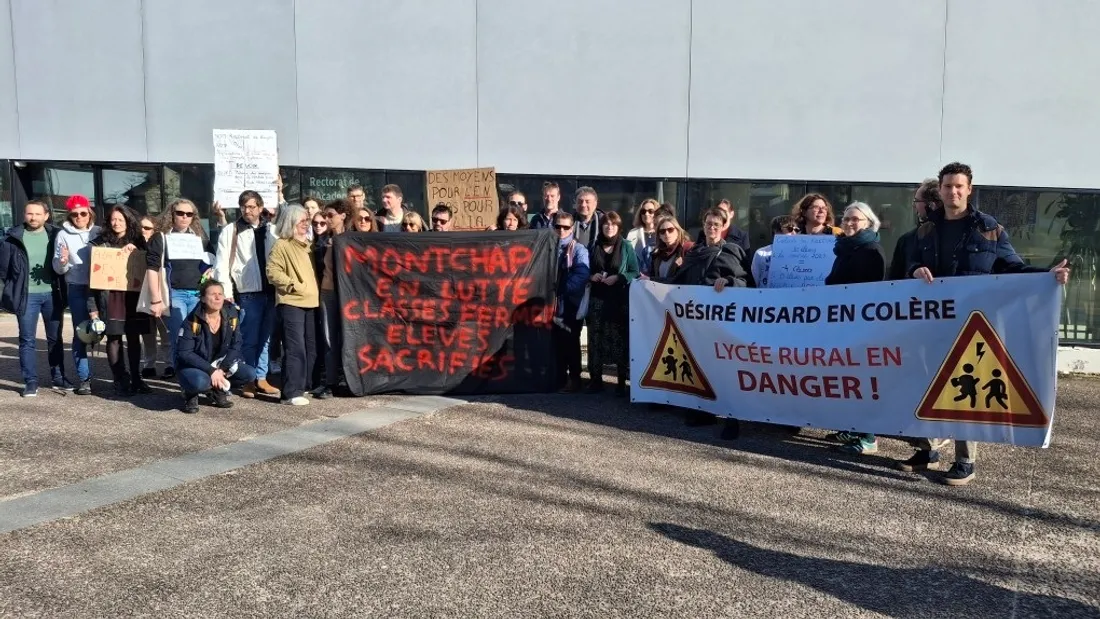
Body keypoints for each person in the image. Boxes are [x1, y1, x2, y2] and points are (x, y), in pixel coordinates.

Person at [900, 162, 1070, 486]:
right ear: (941, 190)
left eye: (959, 186)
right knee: (925, 383)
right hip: (931, 323)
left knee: (965, 388)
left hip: (971, 324)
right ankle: (927, 450)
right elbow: (910, 264)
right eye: (948, 186)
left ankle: (965, 460)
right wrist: (914, 271)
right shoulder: (925, 230)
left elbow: (1012, 267)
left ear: (969, 190)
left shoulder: (989, 229)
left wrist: (1046, 276)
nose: (953, 191)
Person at [670, 207, 749, 433]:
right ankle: (704, 412)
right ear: (703, 227)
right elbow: (677, 282)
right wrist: (649, 282)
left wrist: (729, 282)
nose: (711, 228)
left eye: (716, 225)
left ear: (723, 227)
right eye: (708, 224)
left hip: (721, 323)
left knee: (726, 370)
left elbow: (745, 283)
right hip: (697, 321)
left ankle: (732, 418)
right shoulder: (694, 252)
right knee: (701, 367)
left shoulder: (731, 251)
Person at [823, 202, 887, 454]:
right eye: (846, 218)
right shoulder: (844, 248)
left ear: (869, 224)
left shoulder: (870, 250)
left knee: (862, 381)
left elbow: (868, 292)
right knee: (847, 380)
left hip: (860, 327)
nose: (849, 223)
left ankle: (868, 437)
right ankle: (853, 427)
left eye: (855, 219)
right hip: (842, 324)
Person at [0, 199, 71, 396]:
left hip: (52, 294)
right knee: (27, 340)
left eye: (38, 214)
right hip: (26, 296)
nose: (33, 217)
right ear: (25, 215)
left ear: (46, 216)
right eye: (30, 213)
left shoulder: (57, 235)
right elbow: (3, 272)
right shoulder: (12, 238)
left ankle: (58, 377)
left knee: (55, 339)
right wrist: (6, 296)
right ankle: (30, 381)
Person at [213, 190, 280, 399]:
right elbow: (221, 263)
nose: (247, 210)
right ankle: (248, 379)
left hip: (271, 291)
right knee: (249, 339)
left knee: (266, 339)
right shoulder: (231, 230)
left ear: (260, 207)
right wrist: (227, 291)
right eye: (243, 206)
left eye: (251, 206)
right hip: (248, 293)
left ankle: (261, 377)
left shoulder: (271, 229)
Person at [145, 198, 215, 381]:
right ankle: (183, 379)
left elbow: (211, 260)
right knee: (180, 336)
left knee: (198, 336)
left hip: (198, 295)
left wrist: (209, 270)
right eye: (180, 213)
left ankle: (195, 375)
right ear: (172, 214)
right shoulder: (160, 238)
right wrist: (156, 300)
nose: (184, 217)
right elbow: (152, 269)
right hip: (174, 294)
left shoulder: (200, 239)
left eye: (189, 214)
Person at [88, 206, 152, 398]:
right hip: (111, 296)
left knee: (134, 337)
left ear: (128, 221)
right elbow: (92, 277)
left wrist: (137, 251)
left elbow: (150, 263)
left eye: (121, 220)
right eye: (113, 219)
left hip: (133, 296)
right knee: (114, 337)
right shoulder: (99, 243)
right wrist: (93, 308)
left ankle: (136, 379)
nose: (116, 223)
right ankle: (120, 379)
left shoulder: (139, 241)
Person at [175, 279, 256, 414]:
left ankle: (216, 390)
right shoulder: (191, 321)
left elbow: (237, 343)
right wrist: (211, 370)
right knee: (200, 382)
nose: (218, 298)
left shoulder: (231, 315)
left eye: (220, 294)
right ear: (203, 298)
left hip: (218, 364)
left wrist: (222, 368)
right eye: (213, 294)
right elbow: (185, 353)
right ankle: (190, 394)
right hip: (194, 365)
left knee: (249, 374)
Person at [266, 204, 319, 406]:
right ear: (291, 222)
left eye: (307, 220)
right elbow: (272, 271)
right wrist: (293, 285)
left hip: (312, 302)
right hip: (291, 302)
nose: (306, 224)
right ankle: (290, 393)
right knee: (295, 348)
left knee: (310, 347)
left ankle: (305, 385)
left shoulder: (310, 246)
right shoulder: (282, 245)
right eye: (302, 221)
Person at [586, 212, 640, 396]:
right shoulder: (594, 245)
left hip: (618, 300)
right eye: (606, 224)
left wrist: (618, 277)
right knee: (595, 339)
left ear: (619, 227)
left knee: (619, 340)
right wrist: (592, 276)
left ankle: (621, 381)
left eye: (613, 224)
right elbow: (586, 269)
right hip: (597, 299)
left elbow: (634, 271)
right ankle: (595, 379)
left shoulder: (625, 246)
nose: (609, 227)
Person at [53, 194, 100, 395]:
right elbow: (58, 268)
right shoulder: (63, 235)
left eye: (83, 213)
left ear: (89, 213)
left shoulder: (99, 231)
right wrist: (63, 261)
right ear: (69, 216)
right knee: (82, 332)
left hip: (100, 288)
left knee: (109, 331)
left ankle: (119, 377)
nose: (79, 217)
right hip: (78, 287)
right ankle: (84, 378)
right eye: (75, 214)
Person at [552, 211, 590, 393]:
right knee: (556, 344)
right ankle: (559, 379)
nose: (561, 230)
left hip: (569, 304)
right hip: (550, 304)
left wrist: (560, 290)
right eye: (558, 226)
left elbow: (582, 274)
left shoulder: (578, 249)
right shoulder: (547, 246)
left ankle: (575, 379)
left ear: (572, 228)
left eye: (566, 227)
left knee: (570, 343)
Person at [317, 199, 350, 399]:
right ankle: (330, 382)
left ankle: (348, 379)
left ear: (343, 216)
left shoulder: (351, 238)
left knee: (349, 336)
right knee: (329, 338)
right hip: (328, 291)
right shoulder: (323, 240)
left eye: (331, 215)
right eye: (325, 216)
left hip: (348, 293)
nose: (327, 219)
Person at [137, 215, 170, 380]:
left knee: (165, 331)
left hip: (160, 292)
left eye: (147, 228)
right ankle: (149, 364)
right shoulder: (135, 244)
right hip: (142, 294)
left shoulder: (161, 243)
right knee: (147, 333)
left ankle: (169, 363)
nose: (143, 231)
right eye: (141, 227)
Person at [889, 179, 941, 280]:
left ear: (931, 205)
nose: (913, 206)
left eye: (916, 201)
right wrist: (913, 271)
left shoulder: (951, 235)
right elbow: (894, 282)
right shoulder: (906, 240)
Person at [750, 215, 799, 288]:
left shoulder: (800, 254)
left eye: (796, 230)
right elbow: (755, 278)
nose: (794, 233)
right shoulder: (761, 253)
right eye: (790, 229)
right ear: (776, 231)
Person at [639, 215, 692, 282]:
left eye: (670, 230)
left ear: (678, 231)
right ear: (659, 236)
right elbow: (653, 277)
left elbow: (682, 279)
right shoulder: (656, 254)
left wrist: (652, 279)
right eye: (662, 231)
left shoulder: (687, 249)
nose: (666, 234)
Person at [626, 198, 659, 274]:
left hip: (657, 276)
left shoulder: (663, 231)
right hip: (638, 276)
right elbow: (627, 257)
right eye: (643, 211)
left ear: (657, 213)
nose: (646, 214)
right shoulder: (632, 233)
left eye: (650, 211)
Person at [572, 187, 604, 252]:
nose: (583, 205)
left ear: (595, 204)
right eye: (580, 201)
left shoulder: (604, 222)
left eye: (587, 202)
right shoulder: (568, 223)